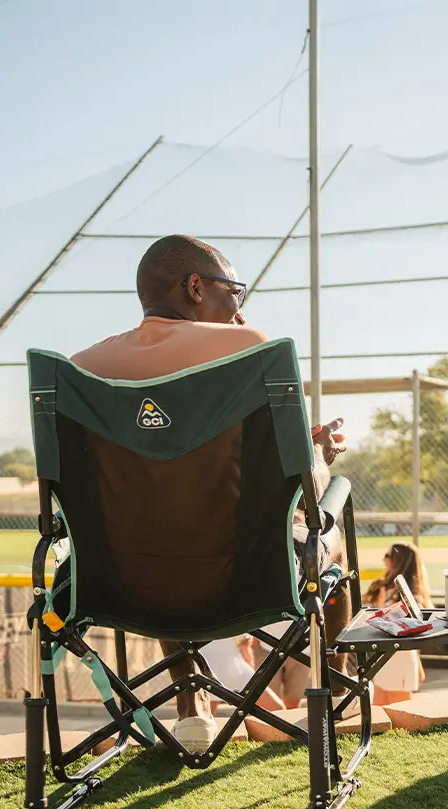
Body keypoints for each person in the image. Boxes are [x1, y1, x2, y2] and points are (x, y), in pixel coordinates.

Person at [71, 234, 350, 751]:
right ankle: (330, 691)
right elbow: (305, 488)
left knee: (157, 519)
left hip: (119, 581)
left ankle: (189, 704)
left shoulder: (82, 370)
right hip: (247, 578)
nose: (240, 308)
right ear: (196, 287)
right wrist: (321, 457)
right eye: (235, 291)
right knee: (332, 520)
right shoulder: (248, 350)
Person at [362, 542, 434, 702]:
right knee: (380, 708)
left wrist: (381, 607)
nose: (383, 560)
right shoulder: (384, 587)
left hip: (399, 655)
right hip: (384, 654)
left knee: (399, 710)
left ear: (398, 560)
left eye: (387, 556)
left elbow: (407, 628)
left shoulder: (411, 595)